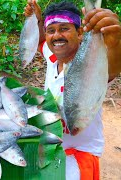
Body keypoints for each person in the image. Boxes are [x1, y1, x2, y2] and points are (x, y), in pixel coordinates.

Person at [24, 0, 121, 179]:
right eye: (51, 30)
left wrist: (115, 41)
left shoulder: (90, 63)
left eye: (64, 28)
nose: (56, 36)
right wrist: (38, 20)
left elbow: (113, 66)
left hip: (80, 156)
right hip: (52, 150)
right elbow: (42, 41)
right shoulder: (52, 56)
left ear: (80, 32)